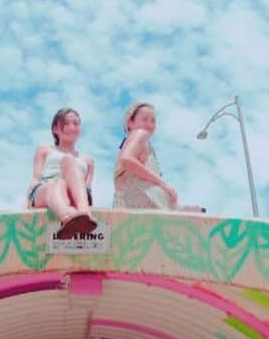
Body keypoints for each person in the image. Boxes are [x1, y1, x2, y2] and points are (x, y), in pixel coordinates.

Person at [27, 108, 97, 239]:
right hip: (46, 189)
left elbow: (86, 189)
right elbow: (36, 178)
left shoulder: (88, 161)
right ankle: (67, 216)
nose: (71, 127)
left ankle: (83, 213)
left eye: (76, 124)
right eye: (66, 123)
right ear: (55, 129)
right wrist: (27, 202)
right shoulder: (45, 150)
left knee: (69, 161)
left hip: (74, 194)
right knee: (59, 181)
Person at [113, 101, 179, 210]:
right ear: (130, 122)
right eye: (144, 119)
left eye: (153, 121)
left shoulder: (129, 142)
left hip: (126, 209)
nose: (149, 124)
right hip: (142, 210)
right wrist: (163, 184)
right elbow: (126, 159)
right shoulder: (140, 134)